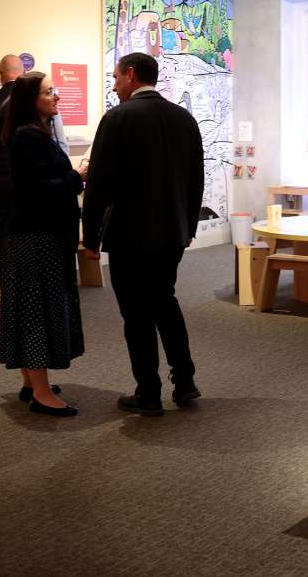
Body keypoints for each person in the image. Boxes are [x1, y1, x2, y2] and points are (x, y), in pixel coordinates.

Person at [83, 53, 205, 417]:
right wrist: (188, 228)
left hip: (130, 236)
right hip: (171, 234)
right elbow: (196, 180)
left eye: (116, 77)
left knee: (136, 314)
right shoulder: (184, 118)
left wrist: (90, 238)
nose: (115, 84)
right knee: (165, 302)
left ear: (131, 75)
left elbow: (100, 184)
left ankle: (148, 392)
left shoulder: (118, 118)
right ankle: (185, 381)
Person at [0, 72, 85, 417]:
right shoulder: (28, 139)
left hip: (35, 236)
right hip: (36, 238)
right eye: (49, 93)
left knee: (31, 307)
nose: (57, 97)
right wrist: (76, 177)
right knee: (37, 312)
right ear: (32, 100)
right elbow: (40, 189)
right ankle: (42, 392)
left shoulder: (32, 136)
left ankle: (30, 381)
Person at [0, 54, 70, 282]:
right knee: (39, 235)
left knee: (5, 236)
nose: (54, 98)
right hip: (42, 182)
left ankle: (9, 291)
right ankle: (40, 289)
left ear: (0, 74)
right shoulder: (42, 109)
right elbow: (61, 142)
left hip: (2, 183)